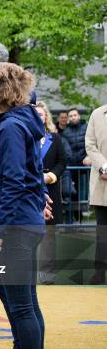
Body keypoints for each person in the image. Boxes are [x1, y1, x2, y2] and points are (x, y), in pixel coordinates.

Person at [0, 62, 46, 349]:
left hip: (15, 227)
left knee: (22, 305)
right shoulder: (18, 122)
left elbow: (14, 181)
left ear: (0, 93)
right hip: (23, 223)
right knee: (25, 302)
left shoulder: (10, 128)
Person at [35, 101, 67, 285]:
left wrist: (51, 176)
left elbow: (62, 161)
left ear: (46, 116)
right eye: (36, 114)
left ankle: (47, 277)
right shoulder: (24, 137)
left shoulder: (55, 138)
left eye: (41, 114)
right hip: (29, 190)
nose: (39, 117)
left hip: (51, 190)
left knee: (48, 236)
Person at [85, 103, 107, 284]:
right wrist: (104, 166)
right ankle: (99, 273)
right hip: (102, 183)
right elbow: (90, 145)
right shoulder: (97, 114)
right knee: (102, 232)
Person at [61, 108, 89, 218]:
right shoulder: (65, 132)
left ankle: (80, 215)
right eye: (71, 116)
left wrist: (89, 156)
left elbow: (91, 143)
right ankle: (70, 216)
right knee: (71, 192)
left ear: (79, 116)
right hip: (70, 167)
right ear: (68, 118)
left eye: (75, 115)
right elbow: (65, 150)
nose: (73, 117)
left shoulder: (86, 128)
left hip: (84, 165)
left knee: (83, 192)